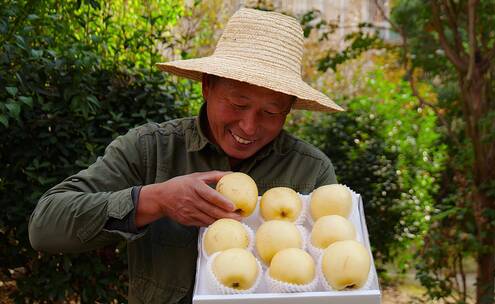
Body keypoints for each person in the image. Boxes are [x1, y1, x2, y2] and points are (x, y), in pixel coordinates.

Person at [28, 7, 343, 303]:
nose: (248, 127)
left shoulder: (310, 171)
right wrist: (154, 200)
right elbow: (45, 226)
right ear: (207, 87)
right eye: (237, 104)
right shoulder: (151, 149)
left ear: (289, 109)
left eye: (272, 112)